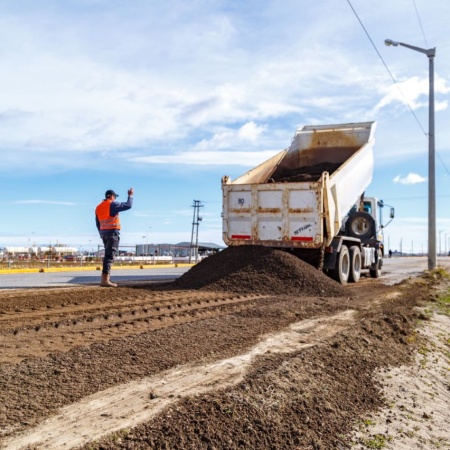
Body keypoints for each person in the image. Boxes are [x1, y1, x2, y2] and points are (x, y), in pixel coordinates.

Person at [95, 188, 134, 287]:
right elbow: (128, 205)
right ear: (112, 196)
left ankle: (106, 278)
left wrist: (101, 233)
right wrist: (130, 196)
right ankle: (105, 280)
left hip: (104, 234)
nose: (115, 199)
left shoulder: (98, 207)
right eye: (115, 197)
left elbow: (97, 223)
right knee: (109, 256)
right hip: (112, 233)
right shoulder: (112, 204)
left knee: (107, 256)